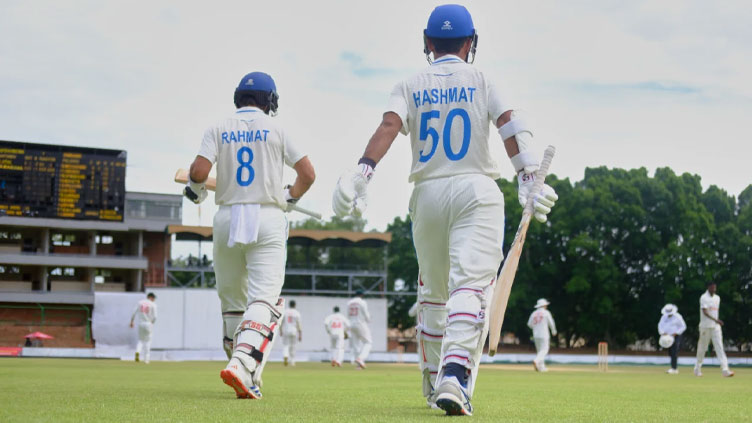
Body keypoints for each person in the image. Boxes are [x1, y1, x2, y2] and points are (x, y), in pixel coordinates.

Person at [331, 4, 558, 416]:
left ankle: (436, 374)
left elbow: (388, 127)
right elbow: (510, 124)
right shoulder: (484, 78)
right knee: (470, 288)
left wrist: (362, 173)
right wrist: (527, 177)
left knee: (434, 294)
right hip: (477, 189)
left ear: (427, 42)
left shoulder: (409, 83)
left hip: (428, 193)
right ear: (470, 43)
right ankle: (454, 377)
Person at [184, 71, 315, 399]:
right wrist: (290, 197)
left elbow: (198, 173)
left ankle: (244, 372)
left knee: (231, 302)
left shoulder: (218, 128)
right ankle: (243, 363)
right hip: (267, 216)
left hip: (227, 216)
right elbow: (308, 174)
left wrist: (196, 190)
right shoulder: (278, 129)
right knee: (264, 299)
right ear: (270, 100)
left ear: (237, 97)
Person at [694, 282, 734, 377]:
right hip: (705, 327)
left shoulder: (717, 298)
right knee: (702, 348)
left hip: (715, 327)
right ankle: (697, 368)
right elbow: (705, 312)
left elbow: (714, 312)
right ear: (708, 287)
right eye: (712, 288)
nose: (714, 290)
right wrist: (717, 320)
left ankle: (725, 369)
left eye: (715, 288)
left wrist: (716, 322)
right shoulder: (704, 297)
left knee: (719, 347)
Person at [527, 298, 557, 372]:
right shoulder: (546, 313)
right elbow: (551, 322)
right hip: (544, 334)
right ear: (543, 305)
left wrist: (536, 328)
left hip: (536, 334)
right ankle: (536, 361)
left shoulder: (533, 313)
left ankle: (541, 367)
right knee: (544, 350)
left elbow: (529, 324)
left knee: (539, 351)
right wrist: (553, 331)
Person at [657, 303, 686, 374]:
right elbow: (660, 326)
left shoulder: (678, 316)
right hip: (666, 337)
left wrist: (676, 333)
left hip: (676, 336)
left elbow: (683, 326)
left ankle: (674, 368)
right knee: (670, 352)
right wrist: (663, 332)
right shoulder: (664, 317)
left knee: (674, 351)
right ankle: (673, 367)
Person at [346, 290, 372, 369]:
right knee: (368, 342)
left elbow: (348, 315)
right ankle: (361, 358)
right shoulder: (362, 302)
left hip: (351, 324)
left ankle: (359, 365)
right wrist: (368, 320)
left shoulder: (349, 303)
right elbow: (366, 314)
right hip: (360, 323)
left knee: (356, 345)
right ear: (362, 295)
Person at [129, 292, 157, 364]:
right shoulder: (153, 304)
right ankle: (146, 359)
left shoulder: (140, 302)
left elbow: (133, 312)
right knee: (147, 341)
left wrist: (132, 321)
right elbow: (155, 317)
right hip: (148, 323)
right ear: (151, 297)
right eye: (153, 298)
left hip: (141, 323)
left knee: (141, 340)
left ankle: (137, 352)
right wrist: (152, 322)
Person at [281, 300, 302, 366]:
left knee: (286, 345)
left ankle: (285, 355)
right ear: (295, 305)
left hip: (286, 330)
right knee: (293, 346)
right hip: (294, 331)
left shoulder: (285, 312)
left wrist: (280, 330)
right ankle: (292, 361)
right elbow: (299, 324)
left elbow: (281, 322)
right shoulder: (297, 313)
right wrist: (300, 334)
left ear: (289, 304)